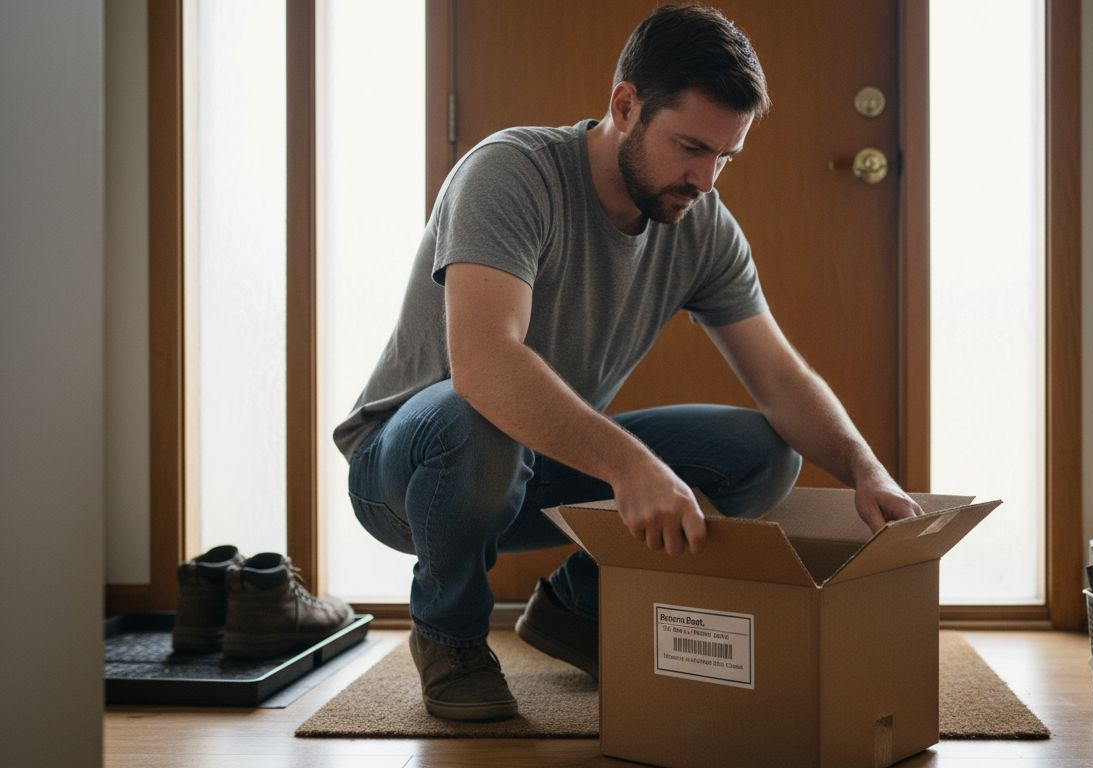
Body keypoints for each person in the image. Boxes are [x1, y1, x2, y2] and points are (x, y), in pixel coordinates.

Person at [335, 4, 923, 722]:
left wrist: (866, 469)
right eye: (690, 147)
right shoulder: (511, 174)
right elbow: (485, 365)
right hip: (410, 470)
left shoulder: (700, 224)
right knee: (478, 413)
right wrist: (630, 467)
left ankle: (576, 610)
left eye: (725, 157)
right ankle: (450, 636)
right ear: (625, 105)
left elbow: (780, 378)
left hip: (531, 466)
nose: (705, 178)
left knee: (763, 454)